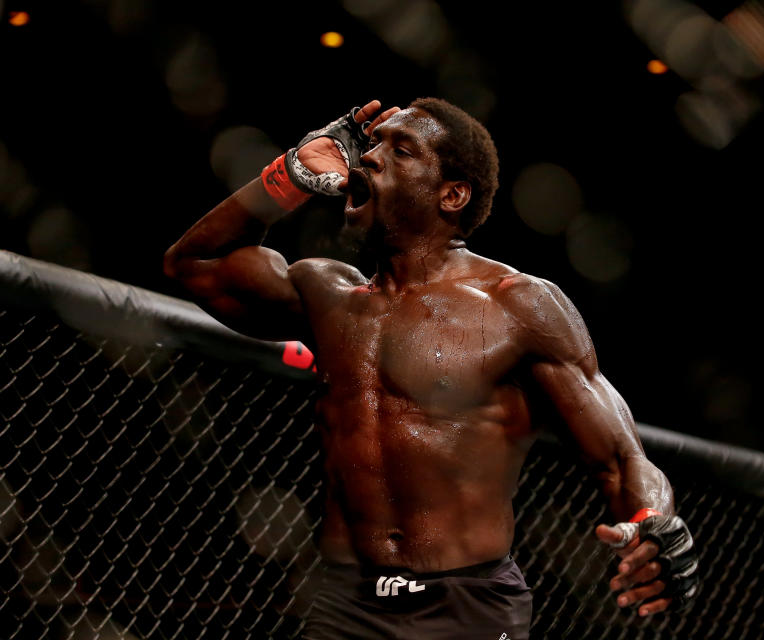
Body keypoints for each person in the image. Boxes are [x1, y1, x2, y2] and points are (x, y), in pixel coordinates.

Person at [163, 98, 699, 639]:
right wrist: (289, 176)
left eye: (401, 150)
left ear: (452, 194)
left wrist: (653, 524)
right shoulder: (329, 294)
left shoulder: (517, 304)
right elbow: (194, 264)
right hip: (342, 604)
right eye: (370, 146)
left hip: (467, 607)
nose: (368, 158)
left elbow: (622, 460)